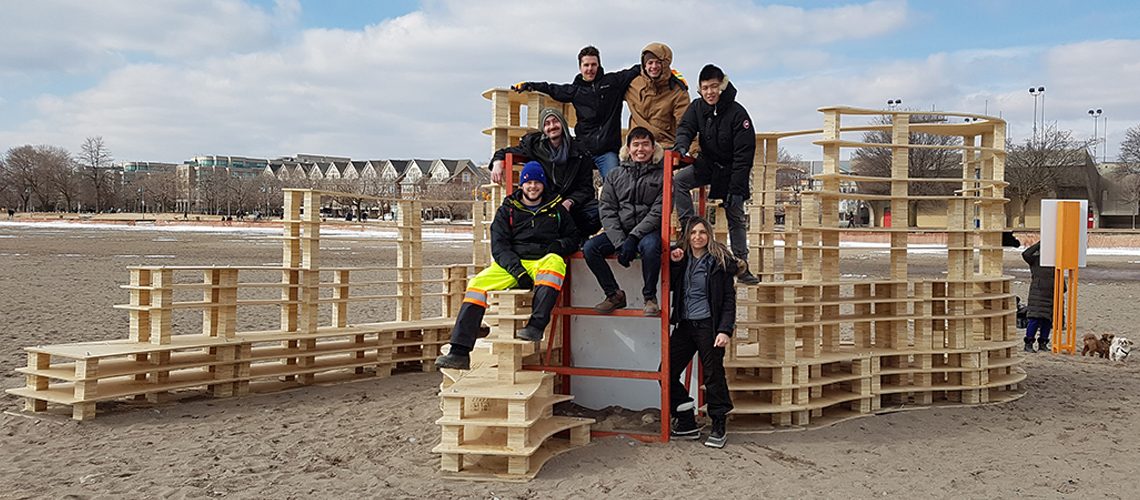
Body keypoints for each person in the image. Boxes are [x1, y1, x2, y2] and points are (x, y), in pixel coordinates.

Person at [435, 162, 579, 370]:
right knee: (476, 285)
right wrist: (517, 271)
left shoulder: (556, 208)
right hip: (513, 262)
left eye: (537, 182)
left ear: (543, 185)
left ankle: (536, 325)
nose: (533, 186)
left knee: (555, 263)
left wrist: (558, 245)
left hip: (543, 259)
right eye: (528, 182)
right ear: (522, 185)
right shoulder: (507, 210)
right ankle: (459, 351)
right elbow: (499, 245)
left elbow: (572, 237)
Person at [670, 64, 759, 285]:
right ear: (700, 89)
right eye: (705, 88)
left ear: (722, 86)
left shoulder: (738, 113)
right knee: (678, 181)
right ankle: (689, 228)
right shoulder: (697, 107)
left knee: (735, 215)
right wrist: (681, 147)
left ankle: (742, 264)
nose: (710, 92)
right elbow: (686, 128)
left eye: (714, 87)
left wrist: (737, 189)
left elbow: (744, 155)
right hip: (707, 164)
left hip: (731, 170)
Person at [512, 46, 640, 180]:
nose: (590, 69)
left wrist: (654, 63)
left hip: (607, 151)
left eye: (593, 65)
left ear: (599, 65)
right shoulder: (576, 90)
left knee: (616, 184)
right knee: (572, 184)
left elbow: (636, 70)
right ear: (580, 67)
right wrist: (530, 85)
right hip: (583, 150)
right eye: (586, 65)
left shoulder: (613, 82)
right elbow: (552, 89)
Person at [667, 217, 739, 449]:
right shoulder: (682, 258)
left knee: (713, 376)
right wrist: (676, 263)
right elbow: (671, 285)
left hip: (709, 326)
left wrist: (725, 330)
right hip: (685, 326)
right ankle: (687, 420)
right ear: (687, 236)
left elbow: (729, 299)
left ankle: (718, 425)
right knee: (665, 371)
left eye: (702, 232)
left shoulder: (720, 262)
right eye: (693, 233)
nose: (697, 236)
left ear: (709, 234)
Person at [583, 127, 664, 316]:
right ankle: (614, 294)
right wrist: (620, 243)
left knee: (652, 247)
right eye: (635, 145)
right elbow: (607, 209)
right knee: (590, 248)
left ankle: (650, 297)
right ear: (628, 149)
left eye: (645, 144)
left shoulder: (663, 176)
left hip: (647, 232)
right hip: (620, 230)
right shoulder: (615, 175)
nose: (640, 149)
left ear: (653, 148)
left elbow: (658, 212)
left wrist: (634, 237)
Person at [490, 107, 601, 241]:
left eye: (555, 121)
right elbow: (505, 152)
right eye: (547, 124)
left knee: (599, 211)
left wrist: (569, 202)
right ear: (543, 129)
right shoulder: (534, 146)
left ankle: (577, 238)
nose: (552, 126)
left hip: (570, 205)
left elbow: (586, 188)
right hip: (545, 202)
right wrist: (497, 163)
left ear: (563, 124)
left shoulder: (580, 152)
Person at [625, 43, 691, 149]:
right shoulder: (633, 84)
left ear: (665, 64)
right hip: (637, 146)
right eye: (650, 63)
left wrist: (693, 151)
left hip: (663, 145)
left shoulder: (678, 90)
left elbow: (686, 123)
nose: (654, 67)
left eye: (658, 63)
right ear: (644, 65)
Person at [1023, 241, 1058, 353]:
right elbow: (1026, 254)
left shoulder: (1055, 261)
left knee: (1047, 321)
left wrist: (1062, 286)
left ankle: (1043, 343)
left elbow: (1059, 275)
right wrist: (1042, 242)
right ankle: (1028, 343)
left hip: (1051, 294)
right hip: (1037, 293)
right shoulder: (1035, 259)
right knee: (1034, 319)